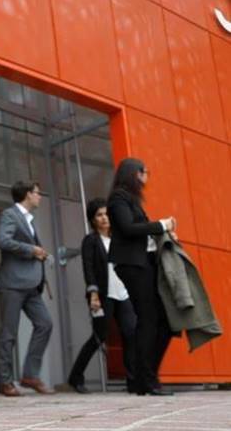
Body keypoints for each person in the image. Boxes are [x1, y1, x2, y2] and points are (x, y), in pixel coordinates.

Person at [107, 158, 176, 396]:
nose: (147, 177)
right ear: (134, 173)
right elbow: (128, 228)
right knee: (149, 319)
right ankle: (146, 380)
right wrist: (161, 225)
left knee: (162, 321)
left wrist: (162, 234)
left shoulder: (131, 199)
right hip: (132, 265)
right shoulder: (118, 198)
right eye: (145, 172)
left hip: (143, 263)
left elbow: (139, 232)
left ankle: (143, 378)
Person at [67, 198, 137, 394]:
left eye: (106, 214)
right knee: (99, 337)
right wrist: (93, 294)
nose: (104, 218)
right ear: (93, 219)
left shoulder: (119, 239)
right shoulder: (91, 241)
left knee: (130, 333)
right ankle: (75, 377)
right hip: (102, 295)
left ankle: (133, 381)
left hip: (123, 294)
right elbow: (88, 268)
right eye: (99, 215)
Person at [0, 180, 54, 397]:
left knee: (45, 324)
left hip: (31, 286)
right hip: (12, 283)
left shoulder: (29, 220)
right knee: (8, 333)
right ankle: (5, 382)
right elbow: (2, 241)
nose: (40, 197)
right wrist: (32, 250)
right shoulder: (10, 215)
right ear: (28, 194)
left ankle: (30, 375)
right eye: (37, 193)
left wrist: (38, 253)